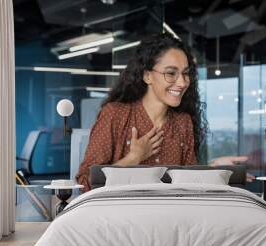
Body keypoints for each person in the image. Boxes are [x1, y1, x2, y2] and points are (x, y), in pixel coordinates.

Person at [76, 33, 251, 192]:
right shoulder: (115, 114)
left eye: (185, 74)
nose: (182, 83)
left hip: (170, 220)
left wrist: (214, 169)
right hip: (122, 219)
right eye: (171, 73)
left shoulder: (183, 122)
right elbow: (85, 183)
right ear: (147, 76)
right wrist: (133, 158)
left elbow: (190, 186)